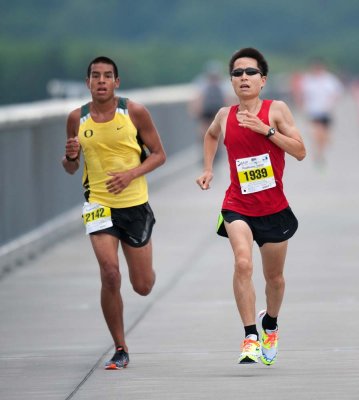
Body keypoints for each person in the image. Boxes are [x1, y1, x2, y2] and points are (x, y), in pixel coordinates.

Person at [196, 48, 306, 366]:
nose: (243, 78)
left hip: (273, 208)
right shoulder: (223, 115)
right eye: (237, 73)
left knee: (275, 279)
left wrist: (266, 131)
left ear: (263, 79)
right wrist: (207, 168)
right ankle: (250, 336)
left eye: (250, 73)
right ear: (231, 81)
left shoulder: (276, 110)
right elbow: (210, 135)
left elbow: (300, 151)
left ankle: (269, 324)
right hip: (237, 205)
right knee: (243, 264)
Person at [62, 56, 166, 370]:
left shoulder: (133, 111)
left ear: (116, 82)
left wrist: (131, 174)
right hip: (98, 204)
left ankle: (145, 266)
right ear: (88, 83)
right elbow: (70, 168)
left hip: (134, 205)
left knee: (142, 285)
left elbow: (160, 155)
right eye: (96, 76)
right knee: (110, 274)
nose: (102, 81)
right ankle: (120, 346)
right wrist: (68, 158)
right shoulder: (76, 118)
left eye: (108, 76)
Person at [293, 59, 343, 167]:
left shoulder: (329, 79)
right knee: (316, 132)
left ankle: (321, 149)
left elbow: (337, 92)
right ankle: (319, 154)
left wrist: (331, 103)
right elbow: (301, 93)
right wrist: (301, 104)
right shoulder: (308, 80)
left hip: (325, 111)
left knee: (324, 134)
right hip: (312, 111)